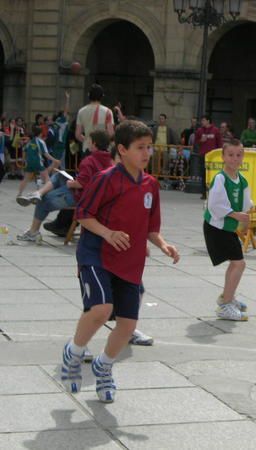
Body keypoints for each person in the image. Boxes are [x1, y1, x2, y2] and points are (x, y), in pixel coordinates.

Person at [59, 120, 180, 403]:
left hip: (131, 261)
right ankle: (74, 352)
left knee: (126, 326)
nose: (146, 153)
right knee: (101, 308)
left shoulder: (151, 185)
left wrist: (163, 244)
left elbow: (151, 227)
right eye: (140, 148)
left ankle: (103, 366)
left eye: (149, 147)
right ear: (122, 150)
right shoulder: (106, 179)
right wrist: (108, 233)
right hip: (96, 255)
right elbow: (83, 214)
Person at [16, 130, 113, 241]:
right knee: (59, 176)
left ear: (94, 143)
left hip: (82, 198)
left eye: (89, 141)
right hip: (97, 197)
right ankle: (38, 192)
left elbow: (81, 184)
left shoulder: (89, 161)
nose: (88, 143)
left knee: (44, 200)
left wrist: (71, 183)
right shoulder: (111, 160)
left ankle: (33, 231)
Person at [204, 139, 252, 321]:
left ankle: (227, 297)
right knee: (239, 263)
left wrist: (245, 216)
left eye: (238, 155)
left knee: (235, 263)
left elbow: (246, 203)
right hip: (216, 227)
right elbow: (215, 205)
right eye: (230, 155)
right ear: (223, 157)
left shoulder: (242, 180)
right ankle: (225, 304)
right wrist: (236, 215)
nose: (234, 159)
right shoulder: (220, 178)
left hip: (227, 227)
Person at [16, 126, 59, 202]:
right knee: (47, 178)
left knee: (26, 179)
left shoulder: (29, 141)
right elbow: (46, 154)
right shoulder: (41, 142)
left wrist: (23, 160)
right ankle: (45, 194)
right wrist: (54, 160)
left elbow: (24, 150)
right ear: (40, 133)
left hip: (29, 162)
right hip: (38, 162)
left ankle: (19, 194)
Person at [75, 83, 115, 154]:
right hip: (103, 149)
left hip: (87, 148)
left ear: (89, 95)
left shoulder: (81, 111)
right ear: (102, 96)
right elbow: (111, 133)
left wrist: (87, 140)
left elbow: (78, 134)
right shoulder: (108, 112)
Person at [194, 115, 222, 199]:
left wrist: (220, 154)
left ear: (208, 121)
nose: (202, 122)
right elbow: (195, 142)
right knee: (203, 174)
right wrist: (200, 141)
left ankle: (213, 193)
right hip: (203, 155)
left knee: (214, 175)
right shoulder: (199, 131)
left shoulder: (215, 130)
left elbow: (219, 143)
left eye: (203, 120)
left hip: (213, 157)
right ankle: (204, 193)